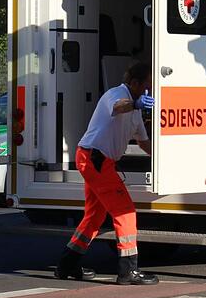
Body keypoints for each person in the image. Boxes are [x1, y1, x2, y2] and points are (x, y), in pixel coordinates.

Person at [54, 61, 159, 285]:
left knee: (95, 216)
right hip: (95, 159)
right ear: (135, 83)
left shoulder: (136, 112)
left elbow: (143, 142)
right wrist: (136, 103)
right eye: (147, 85)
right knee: (125, 212)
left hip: (98, 161)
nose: (150, 90)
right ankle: (128, 271)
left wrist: (164, 159)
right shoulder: (117, 94)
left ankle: (67, 264)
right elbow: (120, 106)